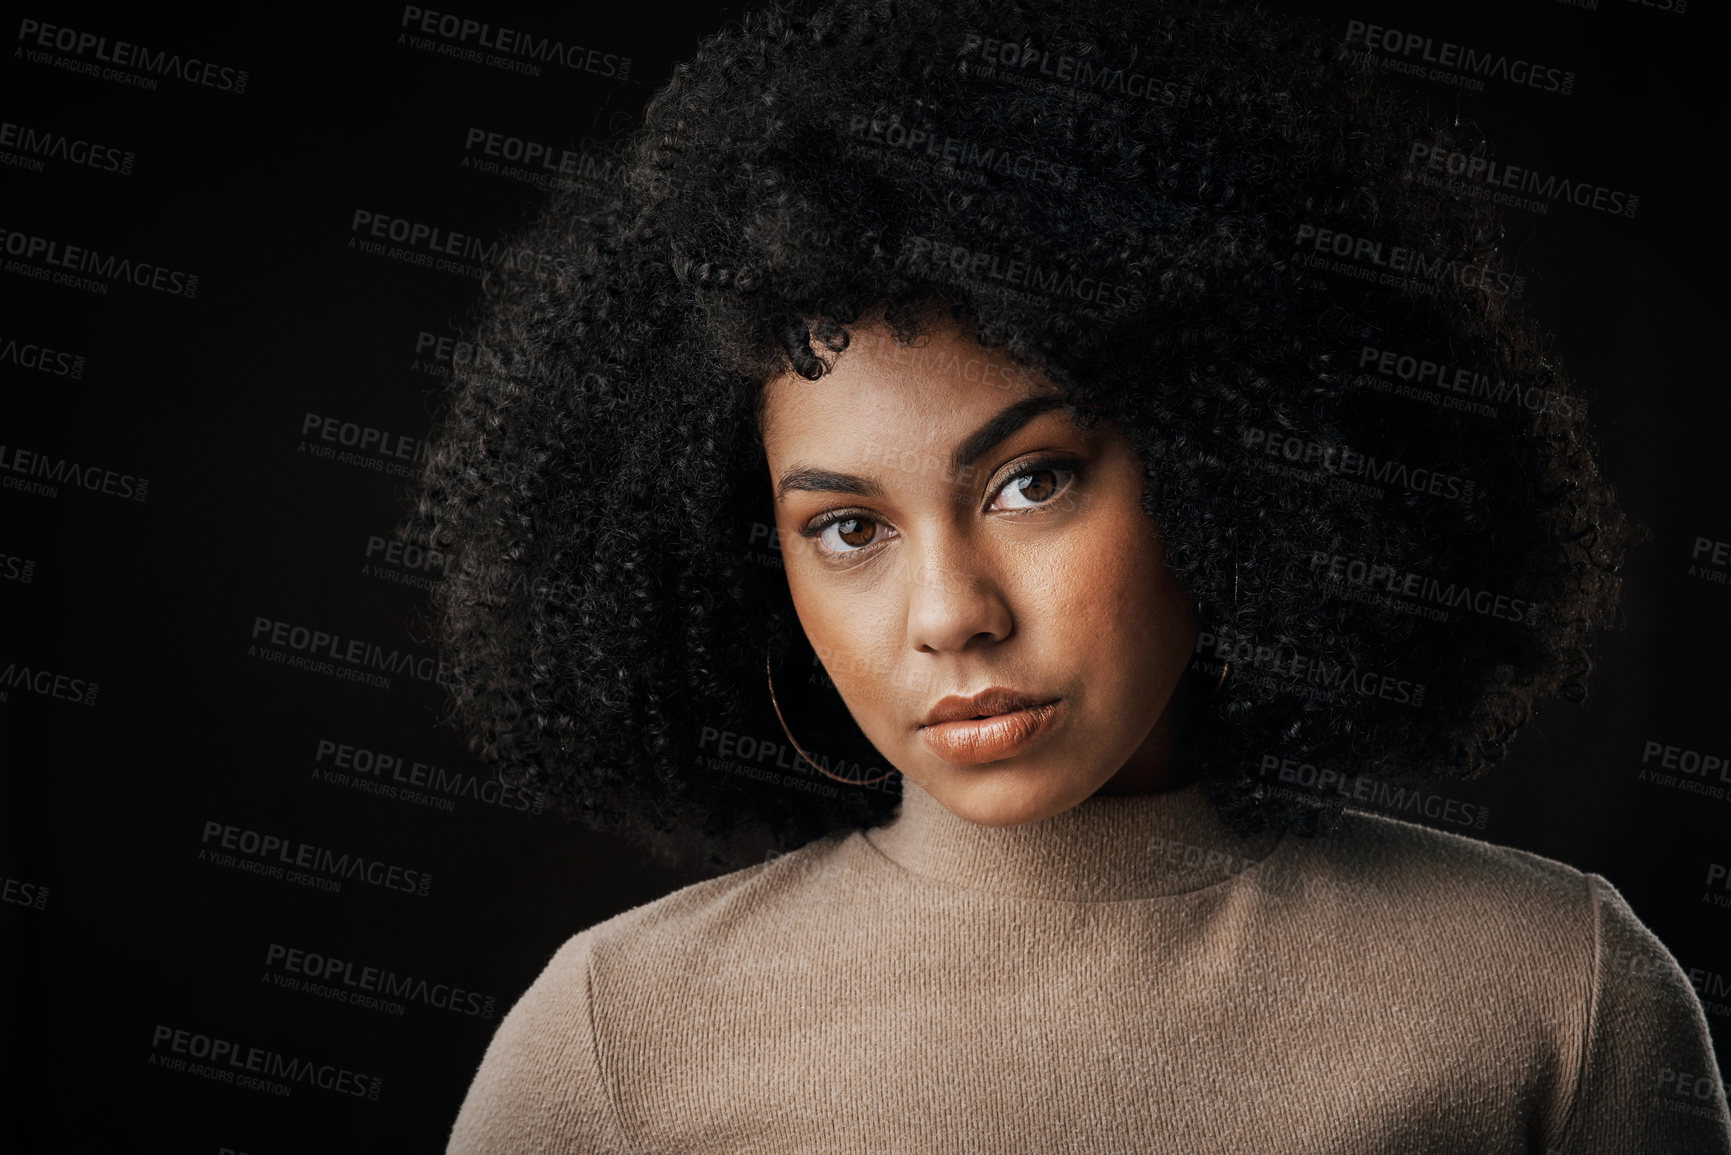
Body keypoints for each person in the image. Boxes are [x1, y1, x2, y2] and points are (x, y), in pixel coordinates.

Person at [415, 0, 1731, 1149]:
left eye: (1031, 481)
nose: (951, 616)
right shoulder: (615, 1038)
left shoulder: (1559, 999)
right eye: (848, 528)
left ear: (1230, 460)